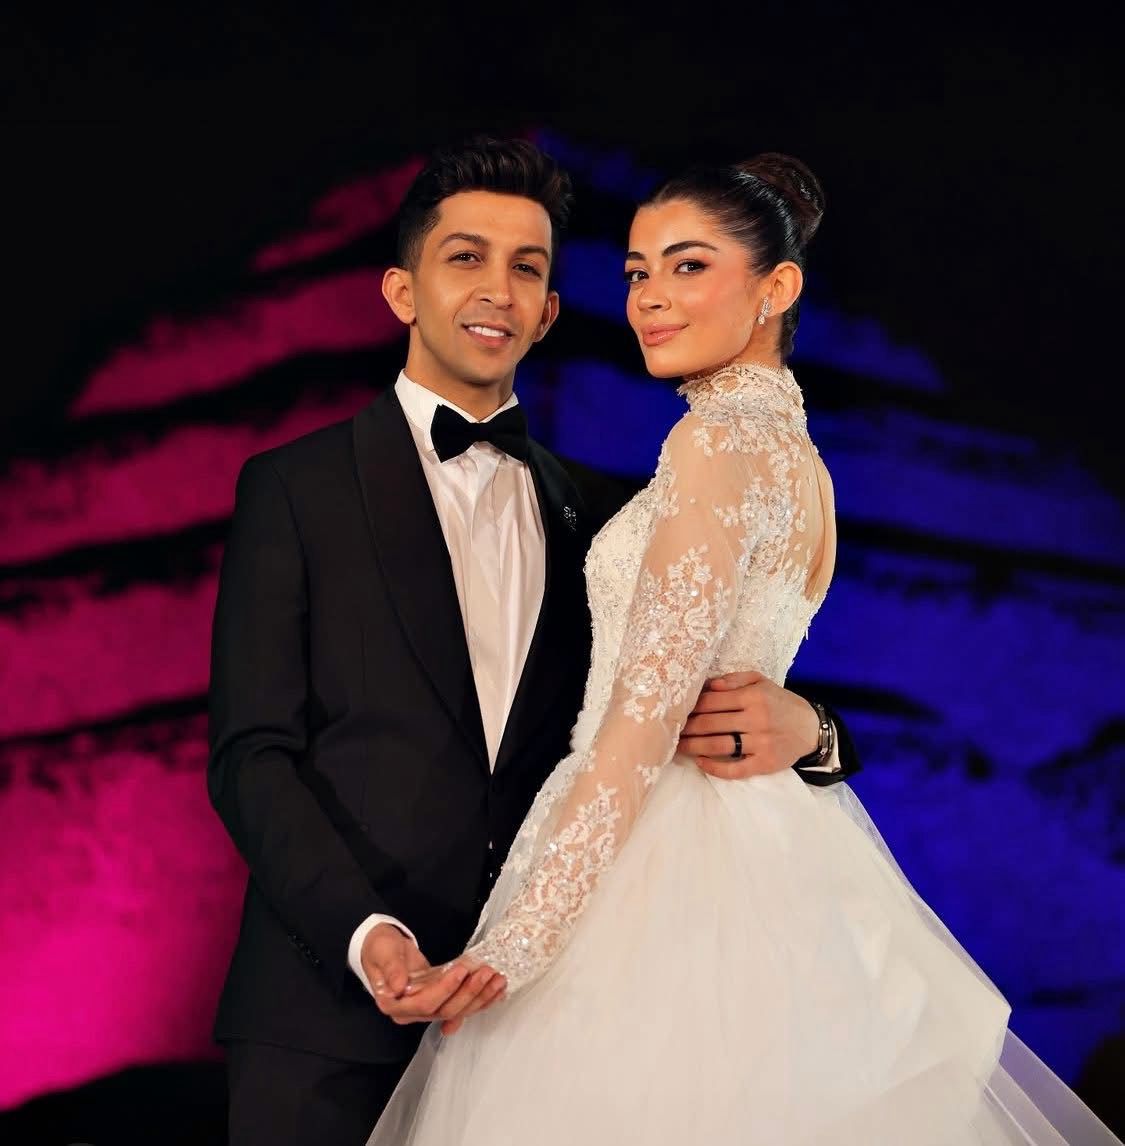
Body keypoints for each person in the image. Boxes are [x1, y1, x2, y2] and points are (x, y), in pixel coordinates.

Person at [367, 153, 1122, 1144]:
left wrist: (519, 943)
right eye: (636, 272)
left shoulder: (716, 444)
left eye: (688, 266)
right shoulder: (799, 461)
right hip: (763, 854)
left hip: (665, 869)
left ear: (777, 288)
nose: (647, 298)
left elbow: (641, 725)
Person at [207, 138, 861, 1146]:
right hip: (323, 1018)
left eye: (527, 268)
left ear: (550, 310)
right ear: (401, 290)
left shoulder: (605, 510)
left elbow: (665, 702)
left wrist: (815, 729)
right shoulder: (293, 490)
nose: (497, 290)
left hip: (547, 1010)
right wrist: (366, 934)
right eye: (465, 257)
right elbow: (251, 754)